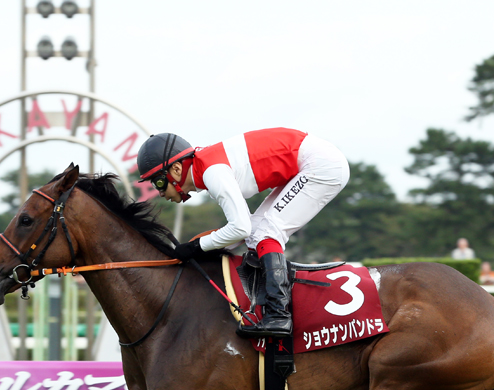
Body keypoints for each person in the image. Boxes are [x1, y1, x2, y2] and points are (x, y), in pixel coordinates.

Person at [137, 129, 350, 338]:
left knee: (267, 233)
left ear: (176, 169)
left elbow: (240, 228)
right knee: (258, 233)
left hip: (321, 166)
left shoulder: (212, 173)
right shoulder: (206, 171)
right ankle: (265, 305)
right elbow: (245, 230)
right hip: (311, 161)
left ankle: (279, 315)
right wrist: (200, 247)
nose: (160, 192)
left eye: (158, 182)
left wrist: (196, 247)